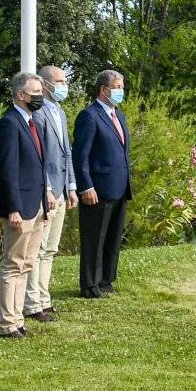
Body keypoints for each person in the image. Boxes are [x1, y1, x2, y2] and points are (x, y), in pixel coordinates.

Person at [0, 71, 53, 338]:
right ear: (19, 95)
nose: (39, 97)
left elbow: (37, 165)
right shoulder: (9, 123)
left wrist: (46, 194)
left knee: (27, 262)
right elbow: (8, 170)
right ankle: (7, 323)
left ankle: (18, 319)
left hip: (36, 203)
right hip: (20, 206)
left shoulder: (33, 121)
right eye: (34, 93)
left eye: (40, 92)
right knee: (13, 263)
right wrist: (13, 208)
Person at [73, 67, 133, 299]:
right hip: (97, 189)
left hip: (119, 186)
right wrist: (86, 186)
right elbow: (80, 155)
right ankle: (90, 284)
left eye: (122, 87)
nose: (121, 91)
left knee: (112, 237)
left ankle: (106, 279)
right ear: (103, 90)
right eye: (117, 87)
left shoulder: (119, 115)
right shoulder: (89, 116)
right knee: (94, 238)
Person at [25, 62, 77, 323]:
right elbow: (39, 156)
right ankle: (32, 302)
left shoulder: (60, 112)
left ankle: (44, 298)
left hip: (61, 190)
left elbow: (67, 152)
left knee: (50, 249)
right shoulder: (39, 114)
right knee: (38, 247)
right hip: (45, 192)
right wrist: (46, 188)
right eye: (60, 81)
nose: (64, 86)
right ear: (45, 85)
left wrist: (71, 187)